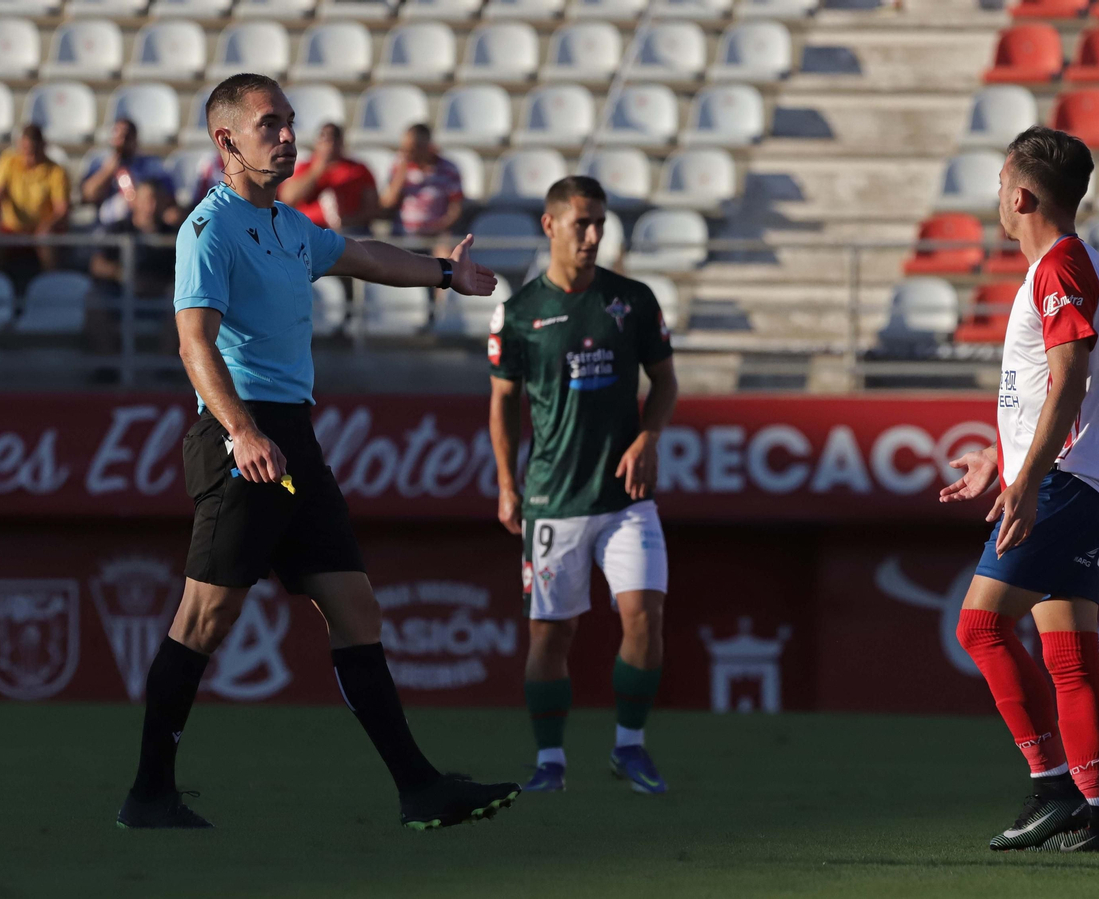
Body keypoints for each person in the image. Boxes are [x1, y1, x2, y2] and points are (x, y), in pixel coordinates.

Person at [117, 73, 515, 832]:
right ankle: (148, 794)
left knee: (354, 604)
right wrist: (241, 431)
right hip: (241, 437)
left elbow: (361, 253)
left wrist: (442, 273)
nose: (289, 136)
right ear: (226, 140)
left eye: (291, 122)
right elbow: (193, 344)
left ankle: (418, 788)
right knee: (204, 617)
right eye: (271, 124)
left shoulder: (292, 226)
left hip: (291, 437)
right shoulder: (207, 229)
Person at [939, 125, 1099, 853]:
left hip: (1063, 478)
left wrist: (1023, 480)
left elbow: (1069, 378)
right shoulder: (1081, 265)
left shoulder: (1058, 267)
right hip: (1084, 478)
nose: (996, 196)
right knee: (1071, 655)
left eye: (997, 184)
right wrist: (1000, 457)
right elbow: (1051, 389)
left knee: (980, 628)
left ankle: (1051, 785)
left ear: (1019, 194)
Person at [487, 176, 678, 796]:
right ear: (550, 226)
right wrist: (506, 483)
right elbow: (502, 405)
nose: (593, 235)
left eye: (600, 224)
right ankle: (550, 761)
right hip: (553, 498)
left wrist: (649, 437)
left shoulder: (634, 299)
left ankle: (630, 747)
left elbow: (666, 382)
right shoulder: (518, 314)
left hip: (626, 498)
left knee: (644, 617)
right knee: (552, 633)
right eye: (582, 224)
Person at [87, 178, 177, 355]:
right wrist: (123, 275)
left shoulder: (174, 235)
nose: (150, 206)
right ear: (135, 201)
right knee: (94, 300)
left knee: (183, 301)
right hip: (120, 293)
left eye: (155, 200)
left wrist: (154, 286)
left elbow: (184, 274)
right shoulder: (117, 229)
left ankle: (167, 370)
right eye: (146, 200)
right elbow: (97, 265)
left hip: (160, 295)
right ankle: (107, 368)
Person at [0, 123, 68, 285]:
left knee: (47, 239)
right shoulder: (7, 162)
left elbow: (62, 209)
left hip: (40, 229)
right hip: (12, 228)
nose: (29, 157)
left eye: (34, 151)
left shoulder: (56, 171)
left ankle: (51, 286)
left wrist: (46, 226)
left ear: (43, 147)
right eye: (26, 151)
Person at [278, 123, 378, 236]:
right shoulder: (305, 167)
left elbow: (372, 209)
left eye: (335, 138)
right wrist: (319, 168)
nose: (330, 143)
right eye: (325, 137)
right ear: (317, 142)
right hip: (310, 230)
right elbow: (288, 198)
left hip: (349, 232)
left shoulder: (358, 170)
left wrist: (349, 221)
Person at [81, 118, 181, 229]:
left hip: (142, 225)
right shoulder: (99, 163)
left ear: (135, 139)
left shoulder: (151, 165)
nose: (122, 141)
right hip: (108, 227)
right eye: (118, 136)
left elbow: (169, 196)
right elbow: (88, 195)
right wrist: (107, 172)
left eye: (127, 137)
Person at [379, 124, 462, 248]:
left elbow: (455, 209)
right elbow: (387, 203)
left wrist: (437, 228)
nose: (407, 154)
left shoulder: (448, 169)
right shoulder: (399, 167)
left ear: (427, 147)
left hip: (435, 238)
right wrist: (401, 175)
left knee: (446, 255)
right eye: (404, 149)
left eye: (412, 149)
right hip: (402, 236)